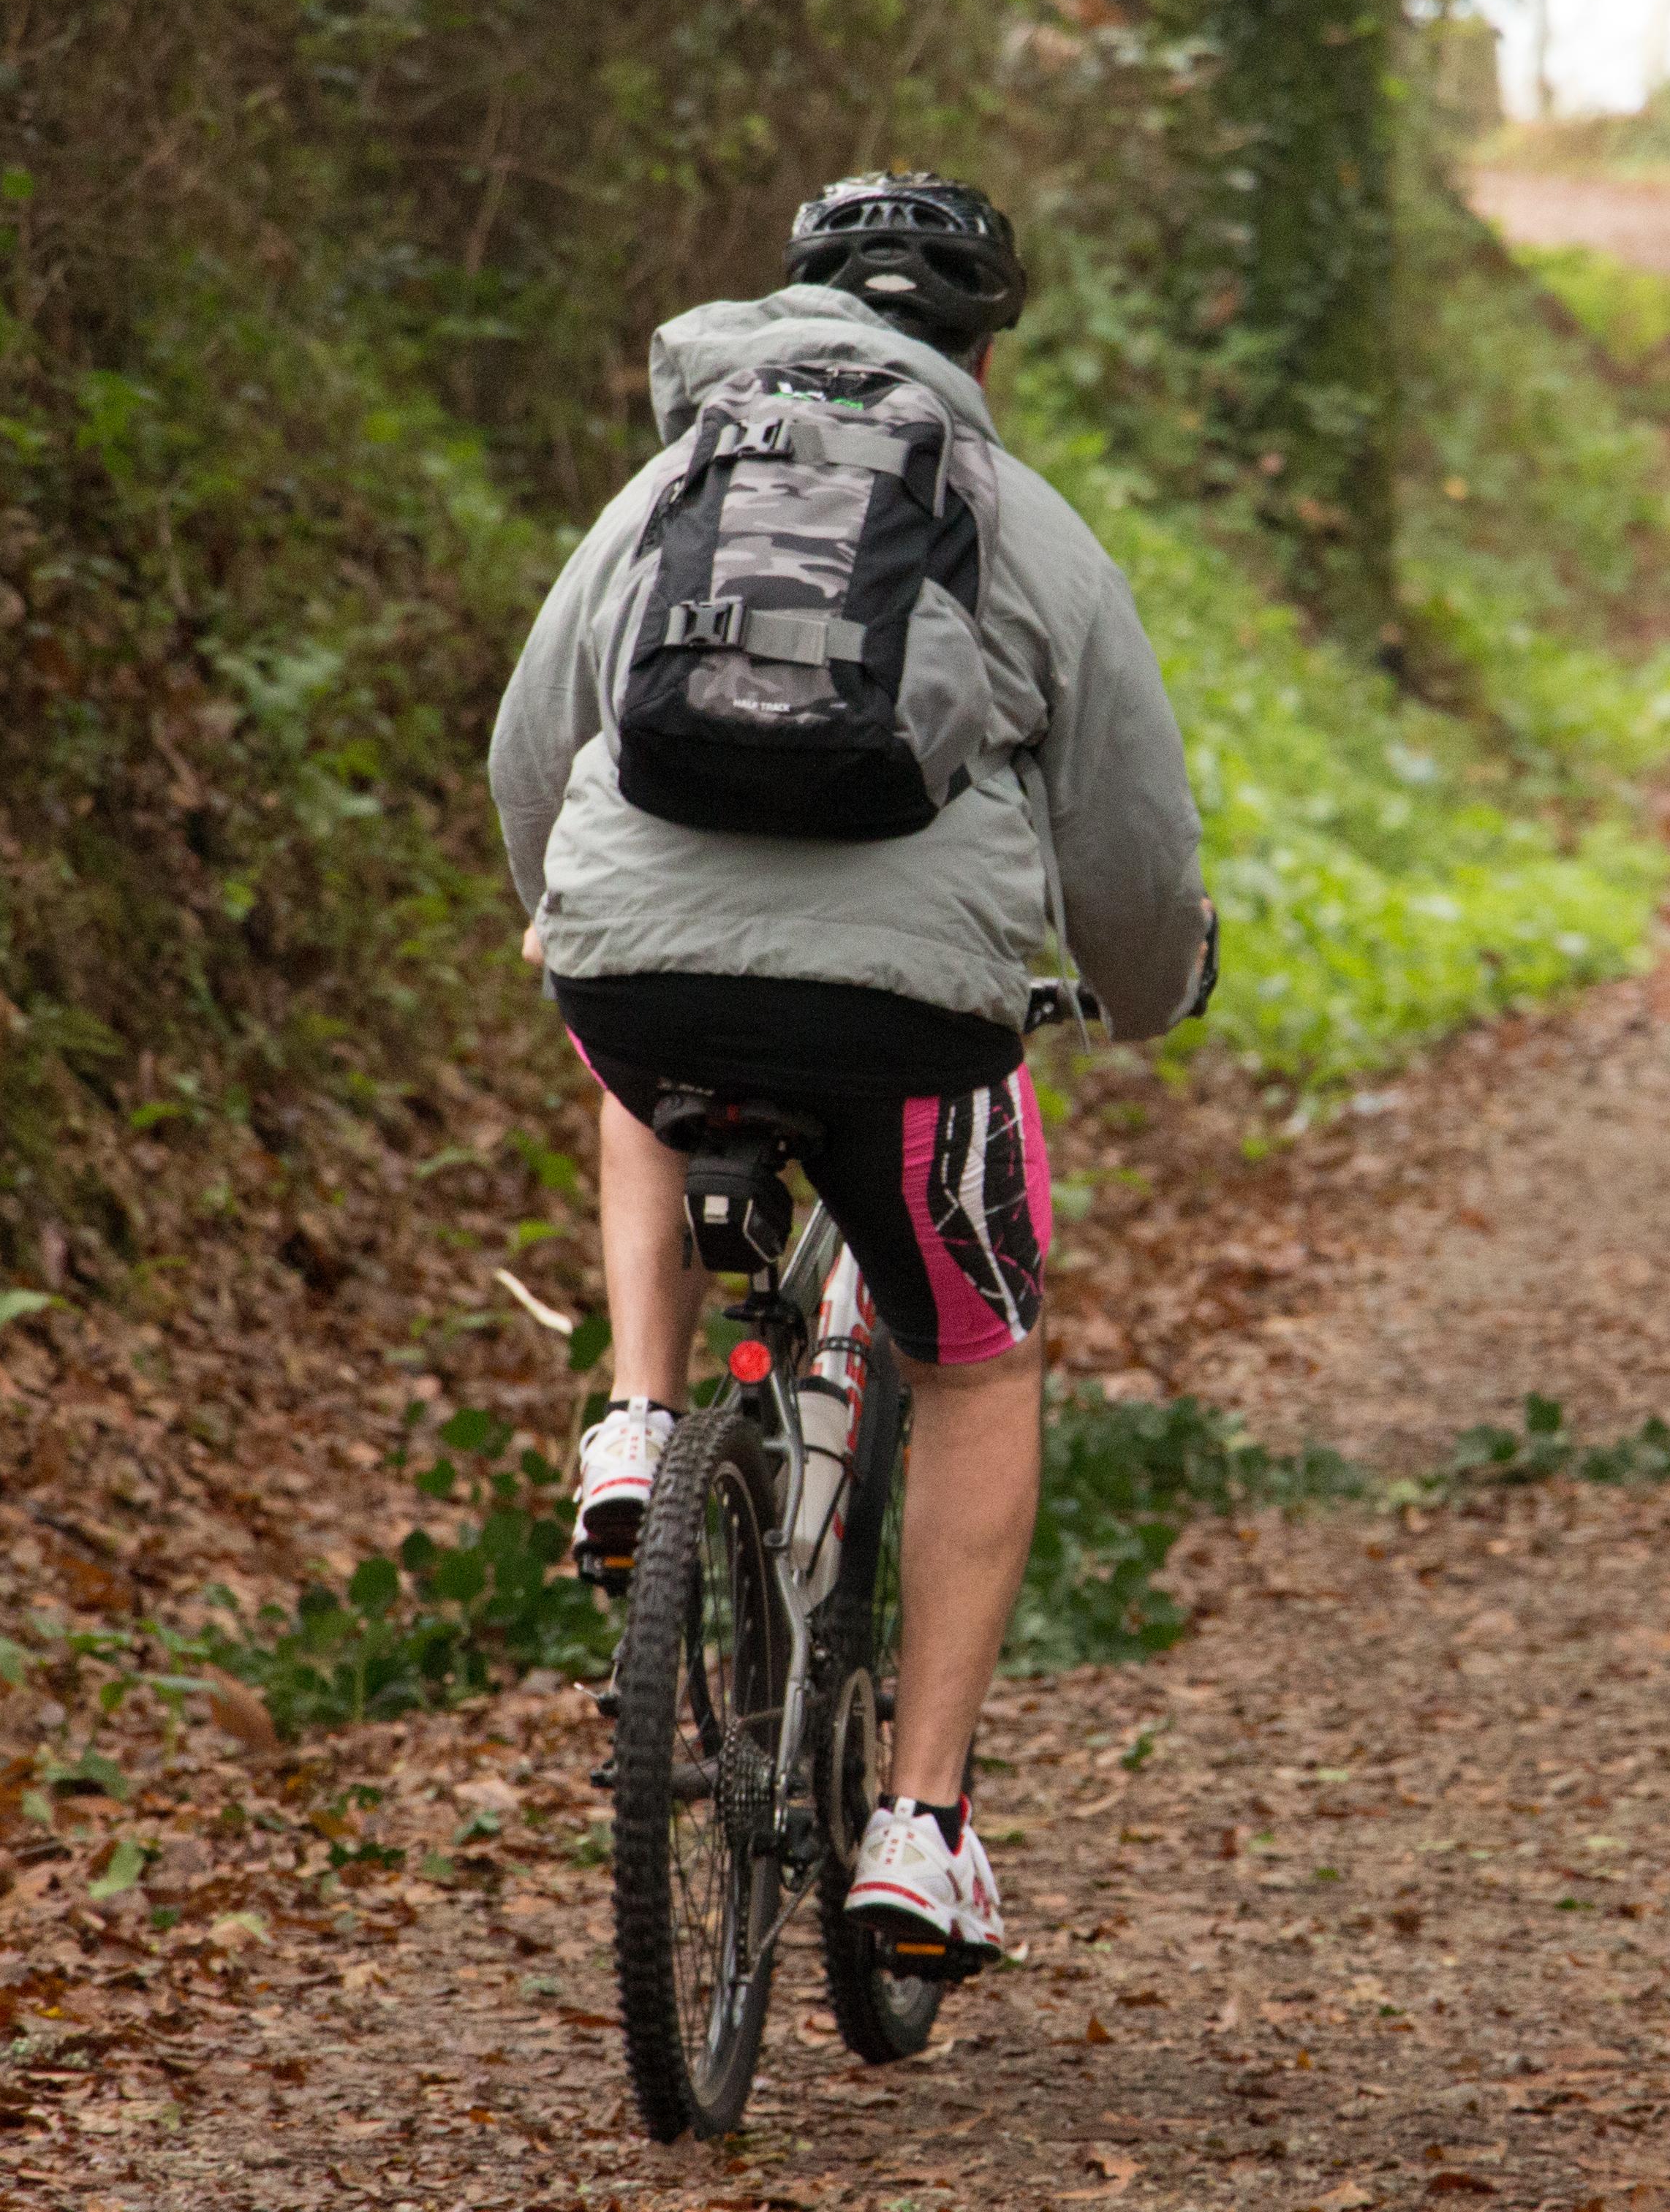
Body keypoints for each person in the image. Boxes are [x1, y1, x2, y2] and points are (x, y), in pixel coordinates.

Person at [488, 171, 1209, 1977]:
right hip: (902, 1026)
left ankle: (643, 1420)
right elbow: (1123, 844)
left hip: (643, 975)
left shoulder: (668, 487)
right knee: (978, 1358)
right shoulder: (1021, 522)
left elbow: (532, 736)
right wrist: (1142, 992)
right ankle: (920, 1827)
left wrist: (565, 922)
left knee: (625, 1055)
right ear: (981, 351)